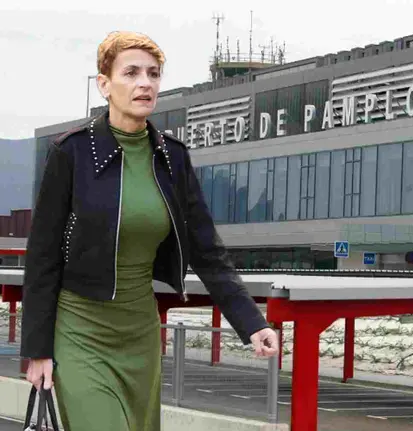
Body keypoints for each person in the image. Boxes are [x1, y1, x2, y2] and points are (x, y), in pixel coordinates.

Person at [20, 31, 279, 430]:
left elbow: (207, 250)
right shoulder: (70, 152)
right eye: (132, 72)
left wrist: (252, 322)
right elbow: (42, 257)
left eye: (154, 74)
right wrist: (37, 350)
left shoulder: (172, 158)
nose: (145, 83)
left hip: (139, 334)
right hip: (80, 332)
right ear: (105, 84)